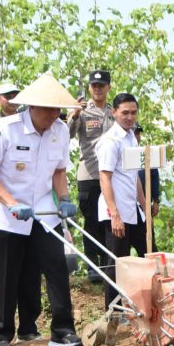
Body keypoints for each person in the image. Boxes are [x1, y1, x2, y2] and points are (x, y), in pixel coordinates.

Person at [0, 73, 82, 346]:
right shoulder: (4, 129)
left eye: (58, 109)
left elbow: (59, 171)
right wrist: (11, 202)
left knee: (56, 267)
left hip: (44, 211)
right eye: (48, 108)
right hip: (4, 212)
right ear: (31, 107)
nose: (54, 114)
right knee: (6, 274)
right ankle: (0, 333)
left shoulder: (60, 130)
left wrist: (64, 198)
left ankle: (63, 330)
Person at [96, 93, 149, 310]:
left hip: (134, 210)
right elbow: (104, 178)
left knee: (150, 254)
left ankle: (148, 304)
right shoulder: (110, 141)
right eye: (125, 112)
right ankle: (114, 311)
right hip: (115, 212)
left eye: (133, 112)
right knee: (118, 263)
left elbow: (134, 176)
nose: (129, 117)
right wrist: (114, 213)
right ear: (114, 112)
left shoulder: (130, 137)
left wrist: (144, 205)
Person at [67, 70, 114, 283]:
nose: (97, 89)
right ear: (89, 88)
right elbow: (66, 134)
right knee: (91, 222)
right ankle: (92, 265)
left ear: (108, 87)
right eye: (94, 85)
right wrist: (74, 113)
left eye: (101, 85)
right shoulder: (82, 112)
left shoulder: (115, 113)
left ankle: (108, 264)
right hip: (89, 174)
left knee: (109, 220)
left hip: (112, 176)